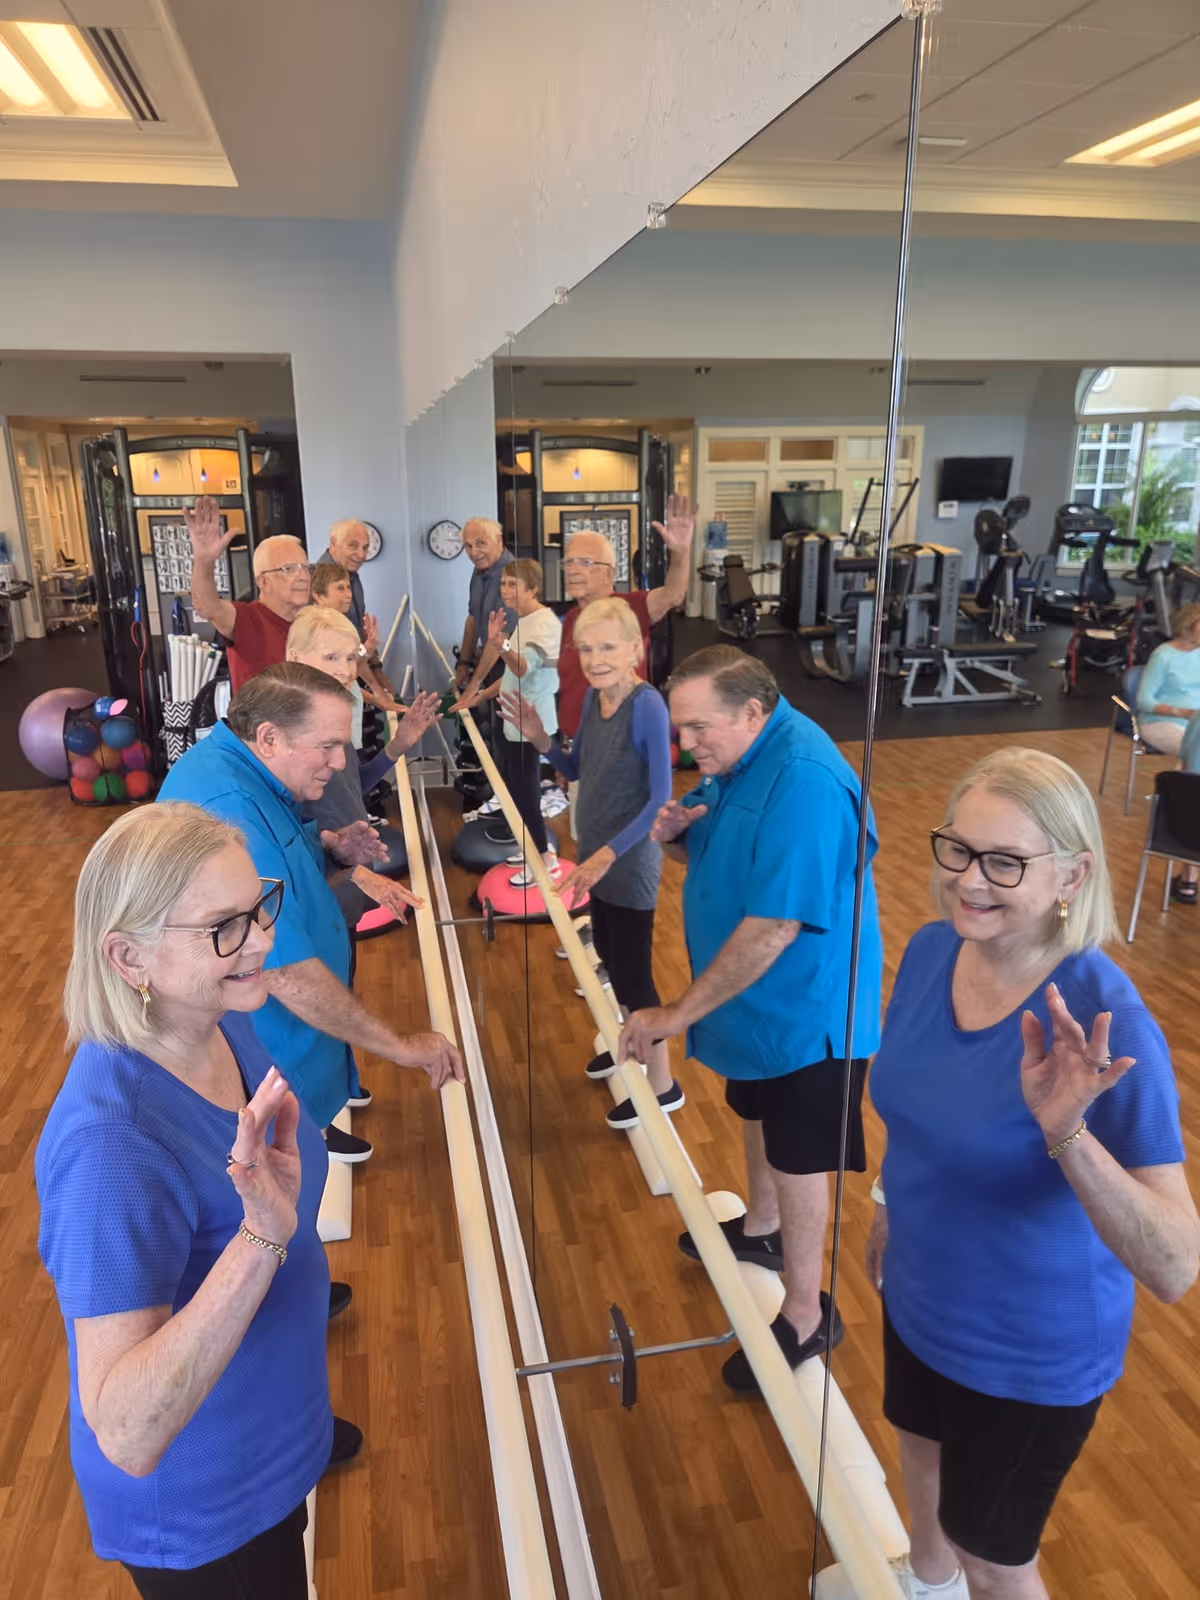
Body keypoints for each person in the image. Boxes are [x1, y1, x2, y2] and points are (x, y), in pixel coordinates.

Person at [815, 748, 1200, 1600]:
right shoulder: (928, 952)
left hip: (1026, 1349)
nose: (968, 881)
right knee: (917, 1447)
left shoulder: (1105, 1019)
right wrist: (886, 1203)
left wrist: (1068, 1132)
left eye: (1004, 862)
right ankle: (926, 1585)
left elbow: (1175, 1265)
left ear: (1073, 874)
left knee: (995, 1556)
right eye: (957, 849)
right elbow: (920, 1104)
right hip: (921, 1291)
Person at [36, 803, 355, 1598]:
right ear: (129, 956)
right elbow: (126, 1430)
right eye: (224, 927)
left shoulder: (215, 1018)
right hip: (207, 1517)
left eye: (259, 907)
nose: (263, 941)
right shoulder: (111, 1146)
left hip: (266, 1448)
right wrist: (262, 1240)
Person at [618, 645, 882, 1391]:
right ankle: (760, 1231)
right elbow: (725, 848)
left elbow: (774, 926)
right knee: (753, 1107)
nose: (688, 746)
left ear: (752, 714)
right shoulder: (739, 758)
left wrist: (675, 1012)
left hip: (806, 1010)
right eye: (683, 730)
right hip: (754, 1005)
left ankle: (806, 1311)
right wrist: (678, 838)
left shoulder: (804, 781)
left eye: (699, 729)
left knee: (800, 1157)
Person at [157, 662, 463, 1163]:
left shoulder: (250, 772)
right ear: (270, 737)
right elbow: (286, 973)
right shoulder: (228, 802)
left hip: (283, 1044)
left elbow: (281, 866)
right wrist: (402, 1046)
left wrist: (333, 853)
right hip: (263, 1049)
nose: (340, 762)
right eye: (327, 746)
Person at [502, 597, 682, 1129]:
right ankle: (631, 1042)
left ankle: (663, 1086)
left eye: (608, 646)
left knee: (634, 976)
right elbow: (574, 766)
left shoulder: (646, 704)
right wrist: (540, 738)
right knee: (607, 952)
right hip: (596, 859)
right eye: (586, 648)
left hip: (626, 863)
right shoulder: (593, 702)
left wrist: (605, 856)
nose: (596, 657)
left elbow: (660, 799)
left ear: (635, 648)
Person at [452, 558, 562, 884]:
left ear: (533, 588)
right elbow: (509, 678)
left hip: (531, 721)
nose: (505, 590)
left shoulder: (546, 623)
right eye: (503, 584)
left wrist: (499, 646)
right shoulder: (523, 622)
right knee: (512, 790)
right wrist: (481, 695)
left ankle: (545, 859)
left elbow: (522, 669)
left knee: (526, 792)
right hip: (510, 715)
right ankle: (531, 849)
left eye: (513, 584)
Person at [556, 496, 695, 742]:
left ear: (609, 572)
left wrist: (681, 553)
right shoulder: (571, 618)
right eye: (568, 562)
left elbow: (673, 594)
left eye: (585, 562)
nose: (573, 569)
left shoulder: (629, 607)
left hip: (617, 745)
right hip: (575, 747)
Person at [185, 496, 312, 693]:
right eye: (289, 569)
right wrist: (203, 561)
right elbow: (209, 606)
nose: (303, 576)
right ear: (262, 581)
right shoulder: (251, 618)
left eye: (305, 567)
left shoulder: (309, 621)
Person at [1136, 601, 1200, 902]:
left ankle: (1182, 808)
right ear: (1190, 626)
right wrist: (1184, 712)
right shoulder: (1164, 656)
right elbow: (1144, 701)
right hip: (1162, 722)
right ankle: (1189, 873)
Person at [315, 521, 397, 707]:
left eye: (365, 547)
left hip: (353, 673)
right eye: (353, 545)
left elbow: (358, 635)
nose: (361, 555)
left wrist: (377, 673)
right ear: (333, 544)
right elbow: (342, 655)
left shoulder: (351, 575)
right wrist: (376, 691)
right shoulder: (322, 581)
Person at [453, 517, 517, 700]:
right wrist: (463, 665)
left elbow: (500, 637)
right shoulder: (480, 569)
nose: (474, 552)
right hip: (490, 661)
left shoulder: (511, 575)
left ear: (498, 540)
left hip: (511, 664)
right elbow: (473, 619)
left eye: (481, 543)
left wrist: (473, 685)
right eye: (468, 546)